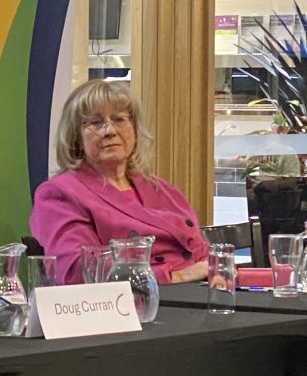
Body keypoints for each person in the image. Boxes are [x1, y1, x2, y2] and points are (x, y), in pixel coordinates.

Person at [28, 79, 209, 286]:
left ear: (134, 130)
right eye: (96, 122)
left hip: (196, 293)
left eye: (119, 119)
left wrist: (216, 272)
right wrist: (171, 276)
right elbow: (78, 271)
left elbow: (202, 254)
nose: (109, 131)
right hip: (132, 305)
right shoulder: (59, 193)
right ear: (76, 137)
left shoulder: (161, 188)